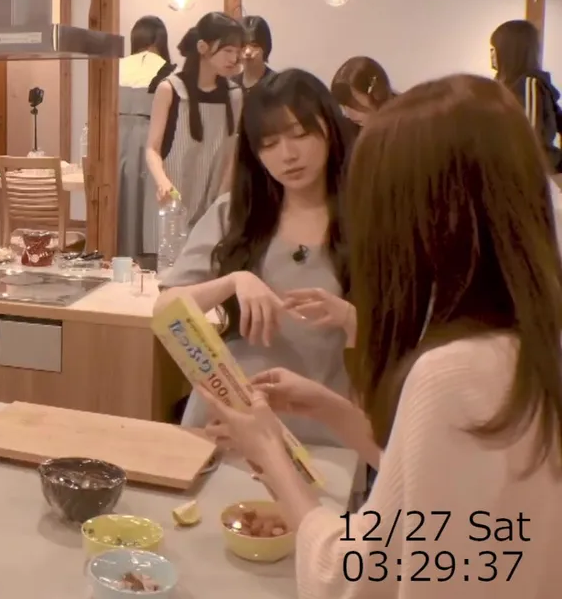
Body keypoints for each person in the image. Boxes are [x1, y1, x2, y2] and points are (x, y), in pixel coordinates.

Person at [203, 74, 562, 597]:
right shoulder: (523, 347)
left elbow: (351, 575)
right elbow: (434, 495)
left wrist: (271, 454)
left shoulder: (452, 373)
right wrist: (328, 407)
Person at [153, 69, 356, 444]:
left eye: (300, 134)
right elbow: (166, 310)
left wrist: (348, 316)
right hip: (229, 419)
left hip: (323, 431)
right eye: (269, 143)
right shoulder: (234, 215)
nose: (288, 155)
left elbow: (402, 343)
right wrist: (234, 281)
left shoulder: (368, 220)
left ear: (331, 129)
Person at [145, 12, 246, 229]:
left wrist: (221, 199)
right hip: (172, 199)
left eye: (237, 52)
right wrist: (162, 181)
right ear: (202, 47)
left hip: (214, 203)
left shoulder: (234, 95)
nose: (234, 59)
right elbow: (152, 148)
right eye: (228, 50)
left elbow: (232, 152)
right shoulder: (170, 89)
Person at [117, 16, 177, 258]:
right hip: (149, 138)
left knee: (118, 202)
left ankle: (114, 257)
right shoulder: (168, 71)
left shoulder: (117, 66)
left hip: (113, 138)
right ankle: (144, 263)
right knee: (146, 207)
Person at [491, 19, 562, 171]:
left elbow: (529, 136)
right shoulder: (501, 86)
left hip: (532, 167)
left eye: (494, 49)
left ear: (510, 51)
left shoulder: (531, 84)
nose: (491, 54)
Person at [330, 56, 395, 127]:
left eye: (354, 105)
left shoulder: (401, 124)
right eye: (343, 106)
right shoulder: (348, 128)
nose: (348, 114)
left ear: (378, 94)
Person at [238, 15, 275, 93]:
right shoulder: (231, 85)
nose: (248, 52)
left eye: (254, 46)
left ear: (265, 48)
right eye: (243, 45)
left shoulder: (276, 84)